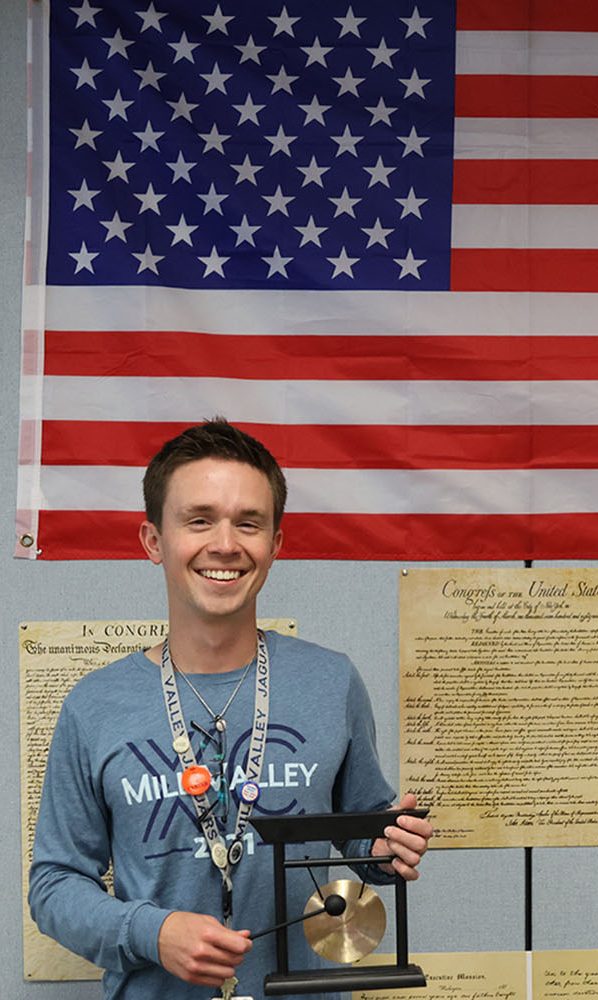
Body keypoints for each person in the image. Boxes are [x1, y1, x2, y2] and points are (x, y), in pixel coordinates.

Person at [29, 418, 432, 999]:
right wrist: (153, 930)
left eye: (249, 523)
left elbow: (363, 838)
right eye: (198, 520)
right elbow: (54, 886)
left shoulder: (331, 680)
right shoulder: (93, 706)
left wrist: (387, 847)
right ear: (153, 542)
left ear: (275, 545)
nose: (225, 544)